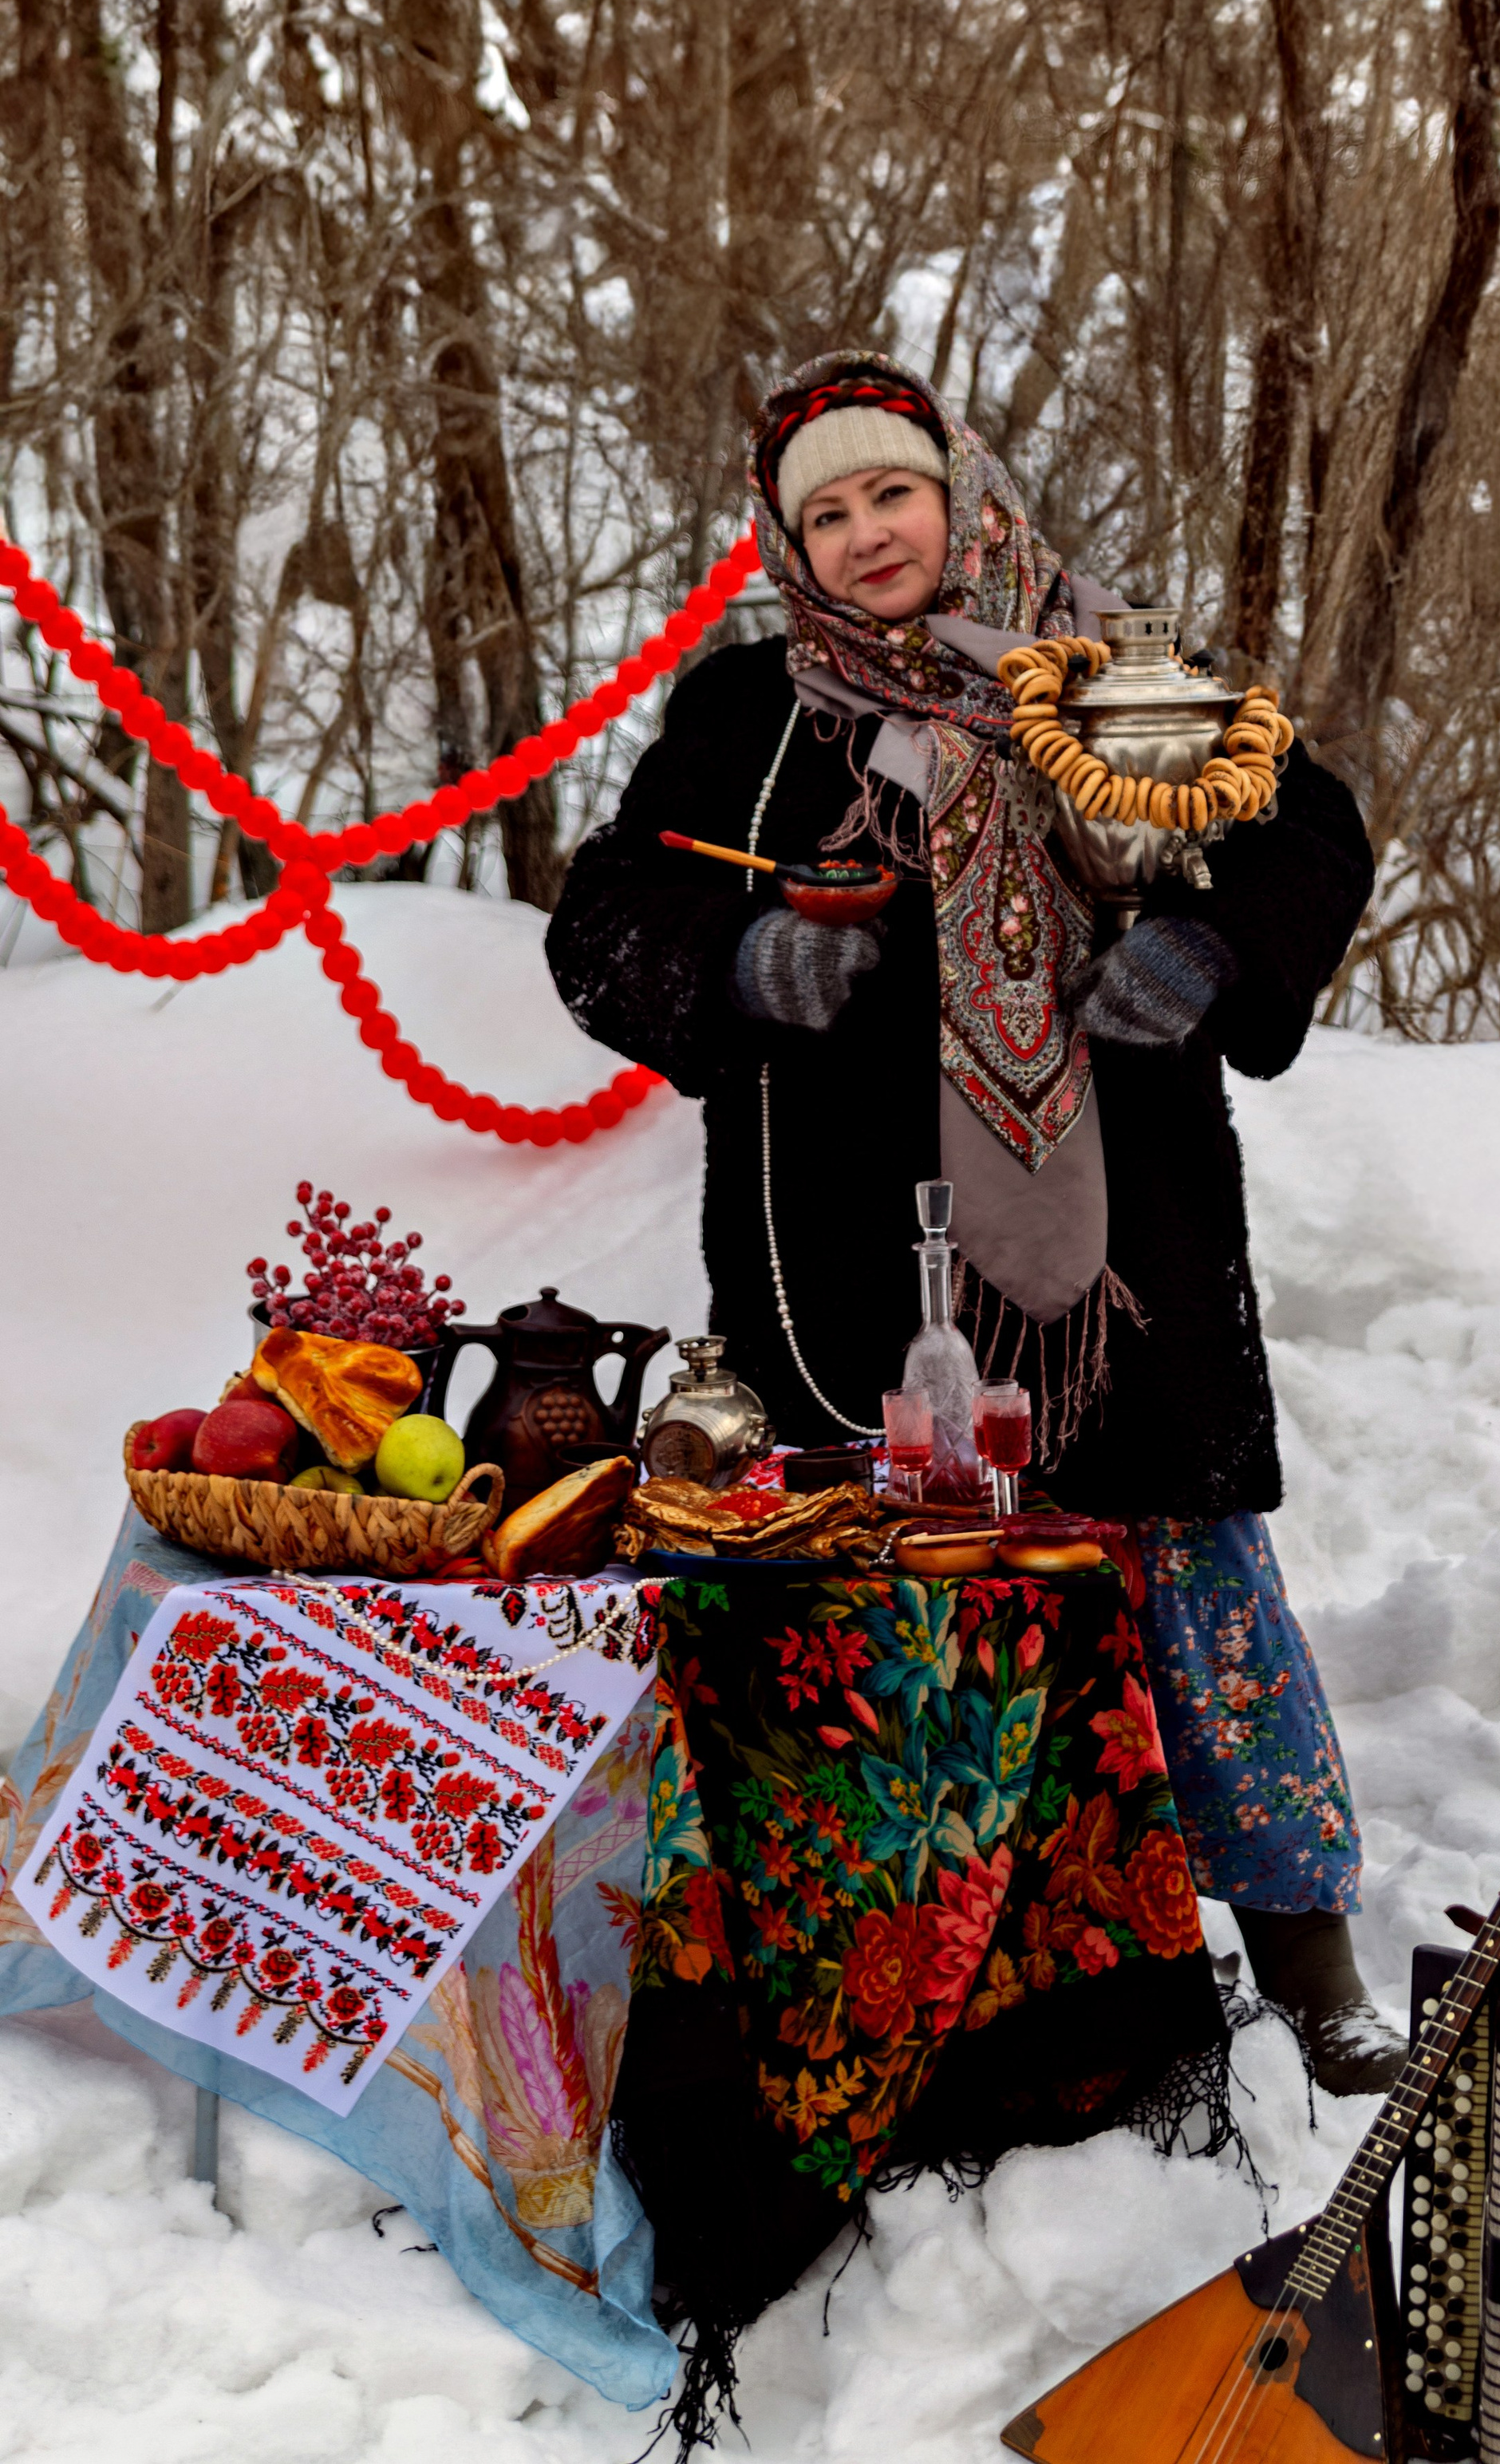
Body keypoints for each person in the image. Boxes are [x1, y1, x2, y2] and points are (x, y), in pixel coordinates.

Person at [546, 352, 1399, 2090]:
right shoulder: (742, 718)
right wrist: (737, 960)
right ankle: (938, 1989)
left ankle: (1308, 1970)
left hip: (1111, 1266)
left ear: (960, 490)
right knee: (894, 1632)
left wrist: (1210, 947)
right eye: (829, 512)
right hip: (843, 1263)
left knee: (1187, 1601)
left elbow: (1308, 826)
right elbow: (599, 922)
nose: (868, 534)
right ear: (787, 542)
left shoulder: (1101, 683)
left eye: (893, 493)